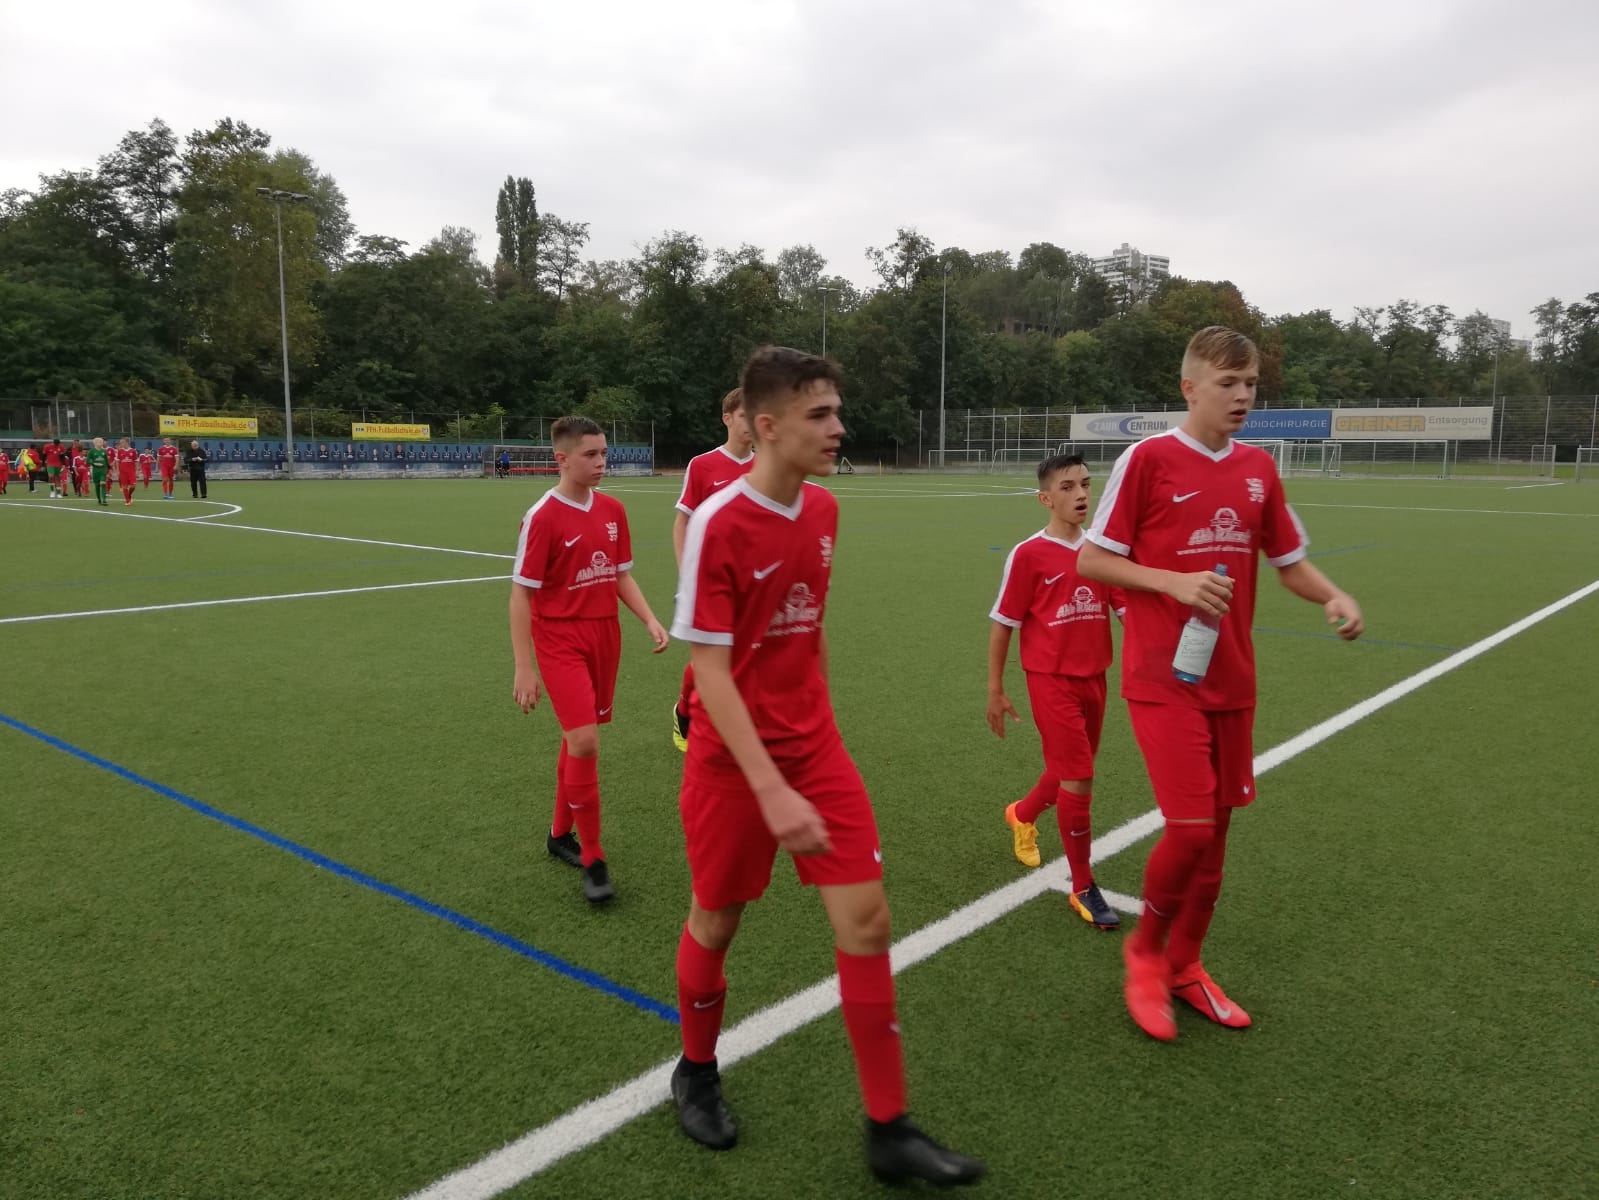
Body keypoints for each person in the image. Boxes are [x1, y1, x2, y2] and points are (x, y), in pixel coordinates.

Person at [668, 346, 984, 1185]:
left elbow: (806, 632)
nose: (838, 427)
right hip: (734, 765)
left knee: (867, 921)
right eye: (819, 414)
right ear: (767, 426)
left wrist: (815, 736)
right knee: (716, 921)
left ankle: (889, 1128)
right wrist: (770, 787)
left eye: (837, 410)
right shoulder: (719, 522)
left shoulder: (826, 511)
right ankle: (694, 1070)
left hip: (814, 751)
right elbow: (708, 671)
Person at [1079, 326, 1365, 1041]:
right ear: (1190, 388)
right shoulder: (1148, 459)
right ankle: (1145, 955)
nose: (1242, 396)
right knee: (1189, 828)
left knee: (1217, 838)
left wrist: (1332, 594)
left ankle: (1186, 965)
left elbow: (1288, 560)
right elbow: (1092, 561)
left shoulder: (1258, 468)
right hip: (1161, 677)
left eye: (1250, 385)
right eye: (1227, 383)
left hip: (1232, 678)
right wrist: (1170, 581)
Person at [508, 415, 669, 903]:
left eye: (604, 453)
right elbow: (521, 595)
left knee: (576, 739)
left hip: (604, 635)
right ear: (562, 459)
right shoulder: (543, 516)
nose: (602, 462)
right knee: (584, 740)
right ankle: (594, 859)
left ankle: (559, 834)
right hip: (559, 638)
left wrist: (649, 619)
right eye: (591, 455)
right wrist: (524, 666)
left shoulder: (614, 510)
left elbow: (619, 575)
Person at [986, 453, 1126, 929]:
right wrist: (996, 688)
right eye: (1068, 487)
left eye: (1085, 484)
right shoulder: (1029, 554)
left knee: (1070, 769)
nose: (1081, 494)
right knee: (1080, 777)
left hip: (1096, 677)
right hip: (1050, 680)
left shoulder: (1102, 553)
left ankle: (1021, 814)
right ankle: (1083, 885)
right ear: (1045, 499)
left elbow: (1127, 610)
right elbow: (1004, 623)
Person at [669, 386, 756, 752]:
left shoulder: (766, 466)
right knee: (710, 658)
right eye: (745, 415)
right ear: (727, 419)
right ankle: (685, 711)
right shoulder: (703, 465)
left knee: (750, 656)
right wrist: (687, 576)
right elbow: (682, 523)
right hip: (710, 579)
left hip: (754, 582)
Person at [114, 436, 138, 505]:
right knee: (124, 486)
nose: (121, 444)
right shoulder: (120, 451)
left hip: (131, 471)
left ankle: (129, 496)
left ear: (127, 442)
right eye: (120, 443)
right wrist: (117, 470)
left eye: (122, 442)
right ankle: (127, 501)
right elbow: (117, 461)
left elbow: (136, 461)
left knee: (133, 486)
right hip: (123, 471)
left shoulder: (133, 451)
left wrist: (137, 471)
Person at [86, 438, 111, 506]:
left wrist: (109, 468)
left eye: (102, 442)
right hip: (95, 470)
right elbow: (88, 460)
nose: (101, 443)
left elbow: (106, 460)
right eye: (100, 442)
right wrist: (94, 463)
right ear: (95, 443)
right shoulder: (91, 451)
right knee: (97, 486)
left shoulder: (104, 451)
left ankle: (104, 500)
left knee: (103, 484)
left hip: (103, 470)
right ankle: (99, 500)